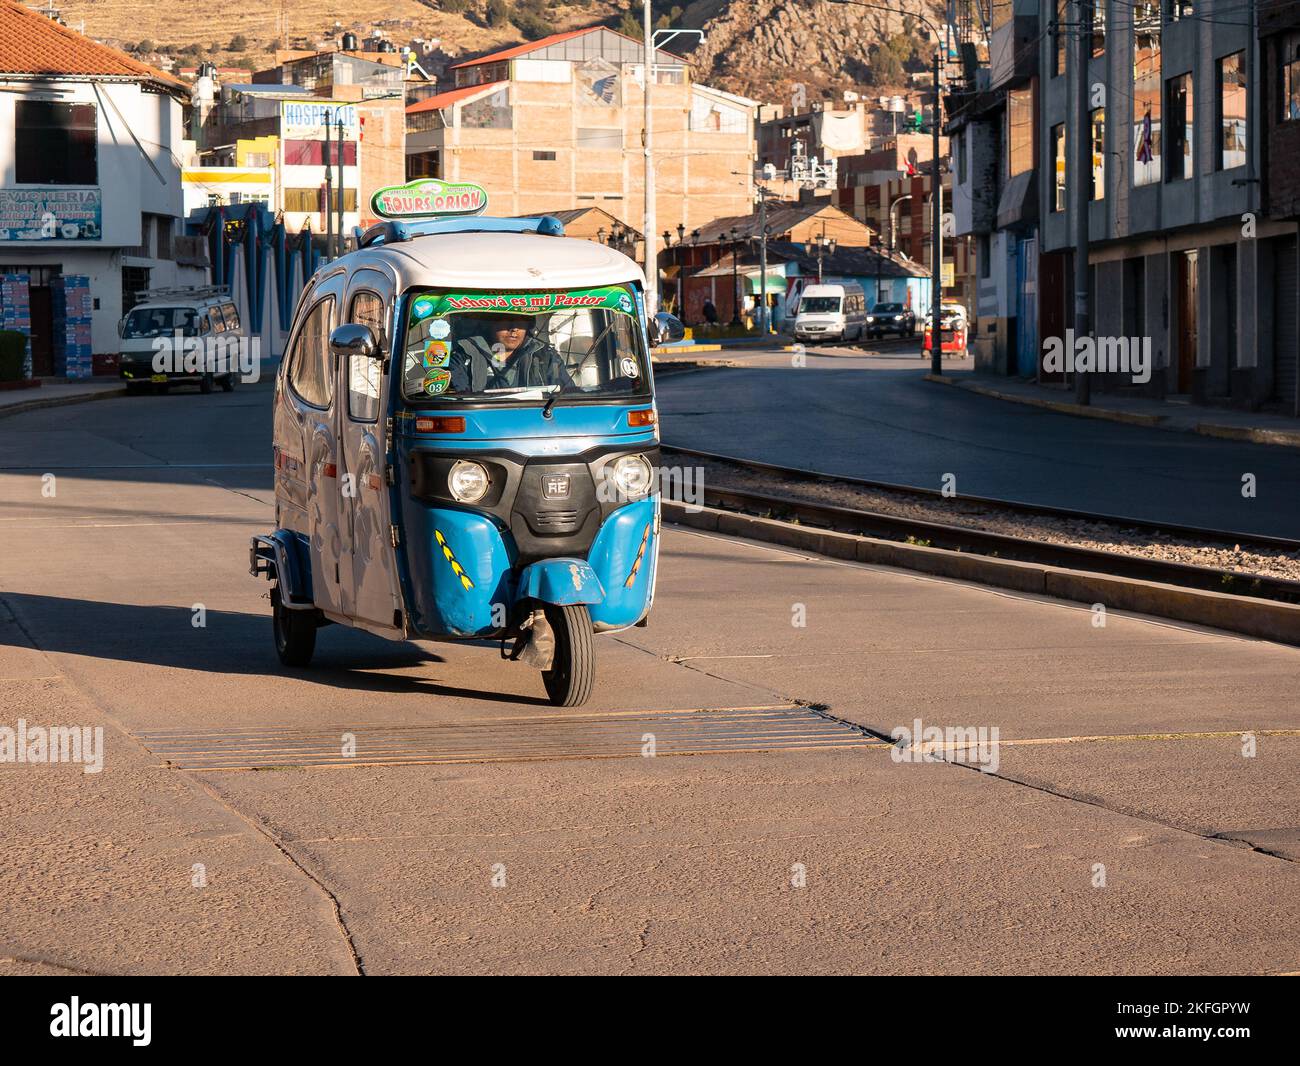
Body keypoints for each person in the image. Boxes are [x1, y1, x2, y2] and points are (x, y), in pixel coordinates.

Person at [448, 314, 575, 393]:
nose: (514, 328)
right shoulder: (463, 357)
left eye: (521, 320)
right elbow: (457, 402)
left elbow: (568, 397)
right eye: (506, 320)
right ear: (489, 324)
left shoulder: (545, 356)